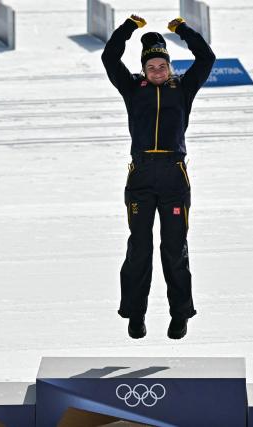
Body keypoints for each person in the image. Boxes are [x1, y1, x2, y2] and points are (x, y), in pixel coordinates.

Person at [101, 15, 215, 339]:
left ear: (168, 65)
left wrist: (182, 31)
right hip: (140, 176)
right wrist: (127, 29)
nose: (156, 71)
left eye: (161, 66)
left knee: (174, 248)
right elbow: (109, 58)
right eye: (151, 67)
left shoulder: (183, 88)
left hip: (174, 177)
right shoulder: (132, 89)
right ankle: (135, 314)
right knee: (139, 248)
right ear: (144, 68)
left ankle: (180, 314)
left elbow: (207, 58)